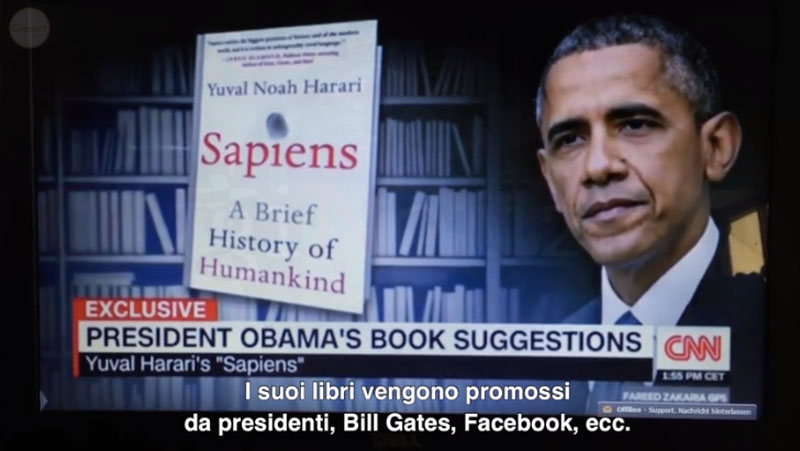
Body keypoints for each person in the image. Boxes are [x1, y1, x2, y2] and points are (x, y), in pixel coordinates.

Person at [534, 15, 764, 413]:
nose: (597, 167)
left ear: (716, 147)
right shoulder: (538, 362)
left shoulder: (772, 330)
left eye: (635, 125)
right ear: (550, 180)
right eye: (570, 139)